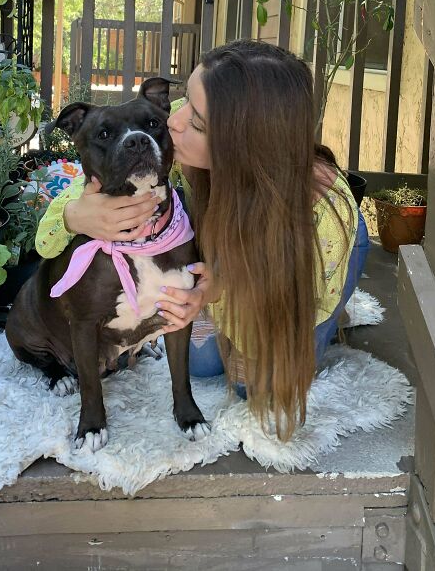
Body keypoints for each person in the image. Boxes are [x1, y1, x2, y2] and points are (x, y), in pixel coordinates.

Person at [35, 40, 366, 441]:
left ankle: (335, 313)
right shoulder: (171, 141)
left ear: (244, 143)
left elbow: (265, 297)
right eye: (183, 102)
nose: (175, 122)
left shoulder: (320, 215)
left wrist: (218, 290)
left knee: (256, 385)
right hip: (231, 253)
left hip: (303, 267)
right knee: (202, 363)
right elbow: (53, 231)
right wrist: (76, 215)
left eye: (197, 122)